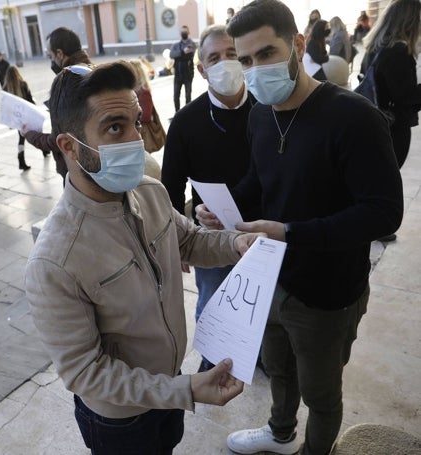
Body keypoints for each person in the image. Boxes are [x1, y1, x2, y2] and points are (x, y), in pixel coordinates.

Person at [25, 61, 262, 454]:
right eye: (115, 127)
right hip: (119, 419)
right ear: (69, 146)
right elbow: (85, 372)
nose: (137, 139)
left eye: (137, 121)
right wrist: (183, 389)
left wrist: (236, 244)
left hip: (169, 390)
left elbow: (188, 241)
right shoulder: (54, 261)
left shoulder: (150, 191)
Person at [204, 2, 404, 453]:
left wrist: (291, 232)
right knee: (278, 368)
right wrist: (225, 207)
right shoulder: (259, 114)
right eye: (246, 59)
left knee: (321, 394)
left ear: (297, 44)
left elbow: (384, 211)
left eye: (267, 53)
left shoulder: (354, 117)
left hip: (329, 294)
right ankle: (280, 434)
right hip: (272, 278)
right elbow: (262, 180)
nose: (255, 70)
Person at [162, 25, 258, 373]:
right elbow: (170, 186)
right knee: (214, 301)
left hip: (264, 229)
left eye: (232, 54)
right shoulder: (186, 122)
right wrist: (180, 234)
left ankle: (258, 355)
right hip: (211, 233)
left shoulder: (266, 109)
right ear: (201, 69)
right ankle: (213, 356)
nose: (225, 63)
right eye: (214, 57)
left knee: (260, 302)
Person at [21, 27, 93, 183]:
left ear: (60, 54)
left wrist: (30, 134)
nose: (51, 61)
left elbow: (58, 140)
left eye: (50, 56)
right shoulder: (91, 71)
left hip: (77, 169)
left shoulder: (67, 83)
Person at [361, 0, 421, 171]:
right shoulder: (398, 53)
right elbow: (407, 97)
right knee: (386, 180)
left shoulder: (375, 47)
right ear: (410, 22)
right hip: (391, 129)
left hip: (373, 123)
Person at [2, 66, 34, 170]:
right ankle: (45, 151)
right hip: (25, 115)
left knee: (21, 138)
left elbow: (5, 106)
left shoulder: (5, 88)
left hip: (15, 118)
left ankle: (21, 160)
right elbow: (30, 100)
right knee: (35, 133)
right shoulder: (23, 84)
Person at [170, 25, 196, 113]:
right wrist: (183, 52)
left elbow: (191, 55)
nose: (183, 33)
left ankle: (187, 114)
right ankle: (177, 113)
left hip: (188, 74)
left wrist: (179, 56)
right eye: (182, 32)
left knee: (188, 96)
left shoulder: (192, 44)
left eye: (185, 31)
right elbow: (171, 55)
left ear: (188, 32)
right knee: (176, 96)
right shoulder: (176, 45)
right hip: (178, 74)